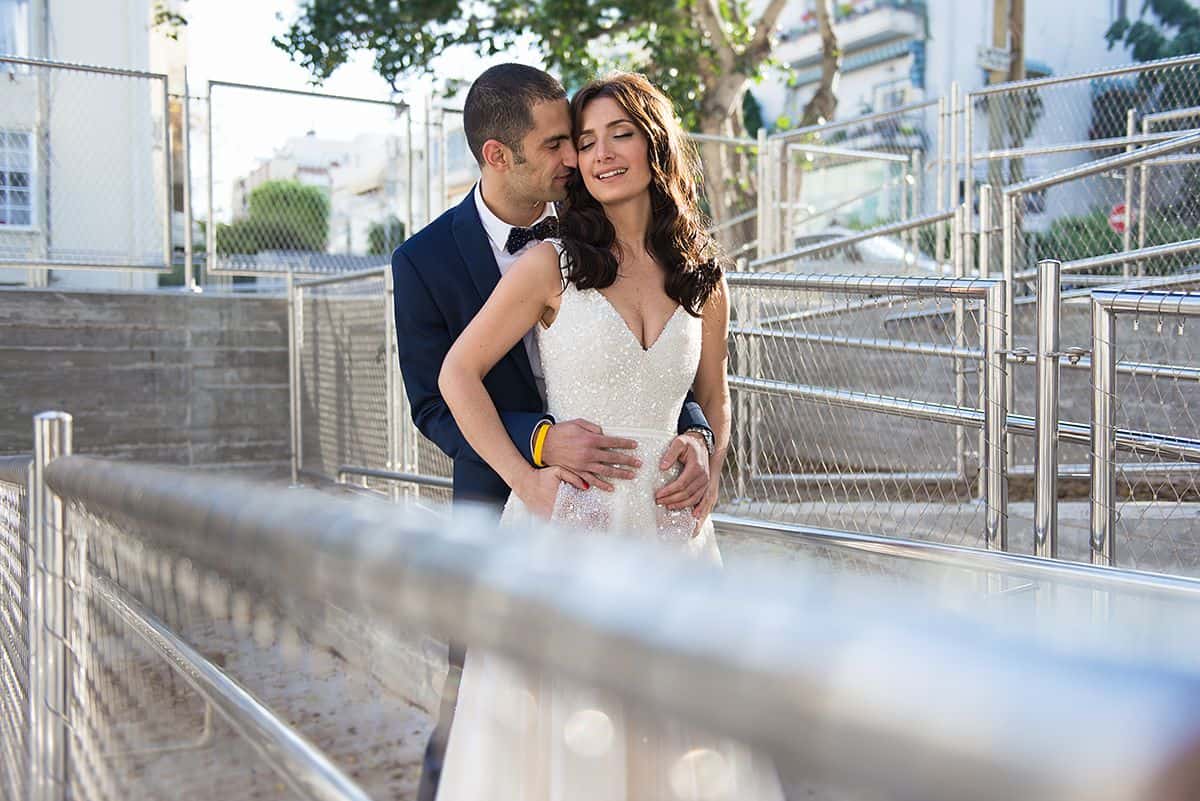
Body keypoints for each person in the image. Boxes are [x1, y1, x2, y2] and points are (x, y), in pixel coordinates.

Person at [435, 72, 784, 800]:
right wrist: (525, 477)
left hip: (673, 536)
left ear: (655, 145)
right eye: (585, 141)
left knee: (681, 738)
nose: (599, 155)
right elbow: (456, 375)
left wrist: (710, 459)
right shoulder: (550, 264)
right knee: (569, 733)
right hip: (569, 529)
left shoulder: (704, 277)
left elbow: (713, 397)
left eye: (619, 134)